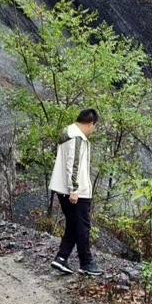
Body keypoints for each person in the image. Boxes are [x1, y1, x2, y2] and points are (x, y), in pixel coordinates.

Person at [49, 109, 103, 276]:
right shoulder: (77, 137)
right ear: (91, 124)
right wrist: (74, 189)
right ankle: (86, 262)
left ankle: (61, 258)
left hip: (63, 189)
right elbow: (73, 165)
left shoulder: (67, 132)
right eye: (94, 127)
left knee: (73, 225)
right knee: (83, 226)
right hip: (76, 192)